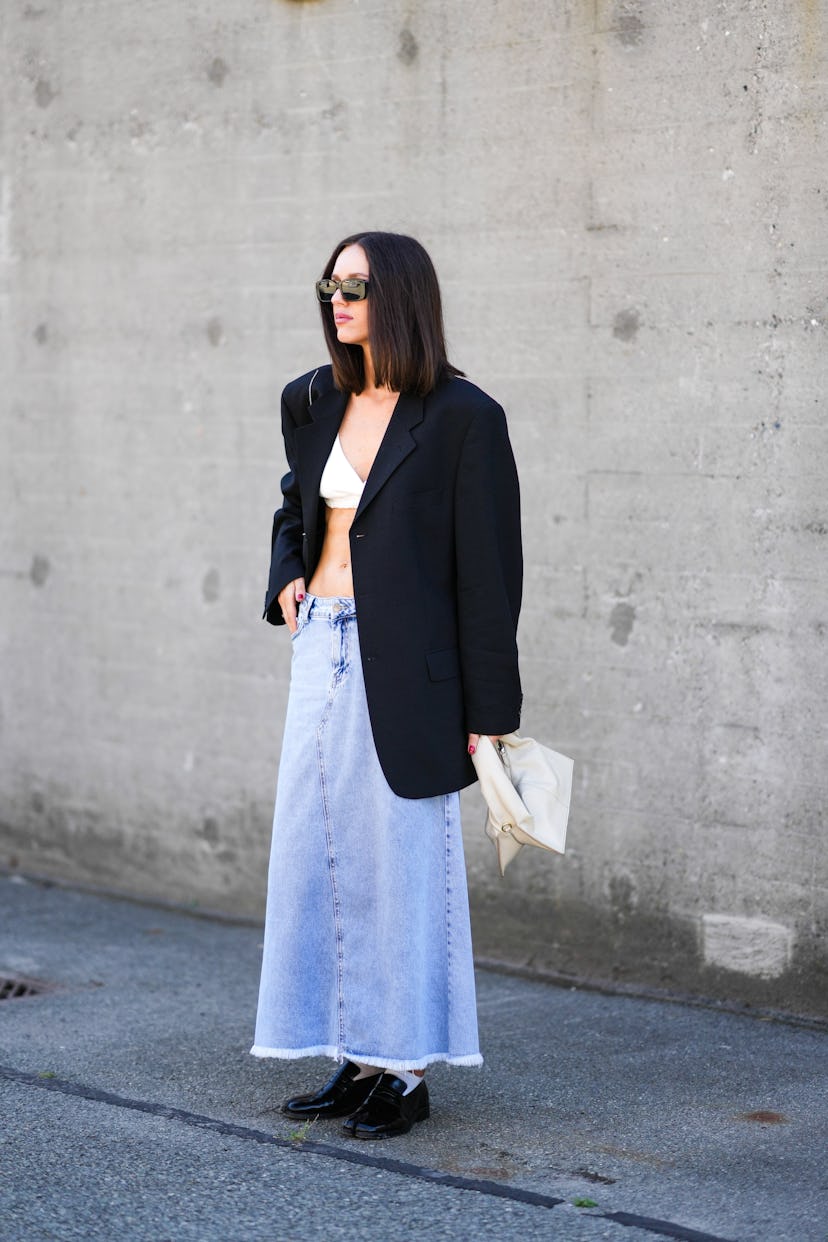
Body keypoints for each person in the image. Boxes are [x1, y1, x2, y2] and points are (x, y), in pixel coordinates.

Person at [251, 231, 522, 1139]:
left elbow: (490, 575)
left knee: (403, 863)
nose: (339, 298)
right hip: (321, 646)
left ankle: (404, 1071)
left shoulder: (462, 416)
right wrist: (288, 571)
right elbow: (295, 503)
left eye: (358, 285)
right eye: (331, 283)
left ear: (401, 295)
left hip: (409, 668)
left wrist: (489, 716)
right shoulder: (313, 396)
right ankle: (353, 1053)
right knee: (320, 857)